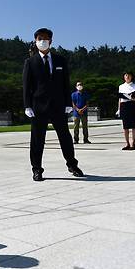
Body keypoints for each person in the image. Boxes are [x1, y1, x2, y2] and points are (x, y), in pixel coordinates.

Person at [23, 27, 84, 181]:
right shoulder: (30, 62)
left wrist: (67, 103)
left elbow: (65, 83)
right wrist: (27, 105)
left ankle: (72, 164)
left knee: (65, 137)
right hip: (38, 107)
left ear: (51, 41)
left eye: (45, 38)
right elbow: (26, 86)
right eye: (39, 39)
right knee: (37, 140)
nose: (42, 41)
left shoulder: (60, 60)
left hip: (57, 106)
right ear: (35, 41)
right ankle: (37, 169)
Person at [117, 72, 135, 150]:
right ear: (124, 77)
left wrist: (131, 97)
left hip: (132, 105)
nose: (127, 77)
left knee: (134, 126)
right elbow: (120, 99)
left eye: (129, 75)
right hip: (124, 105)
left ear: (131, 77)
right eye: (126, 75)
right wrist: (119, 109)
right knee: (125, 127)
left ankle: (133, 144)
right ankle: (127, 143)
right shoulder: (121, 86)